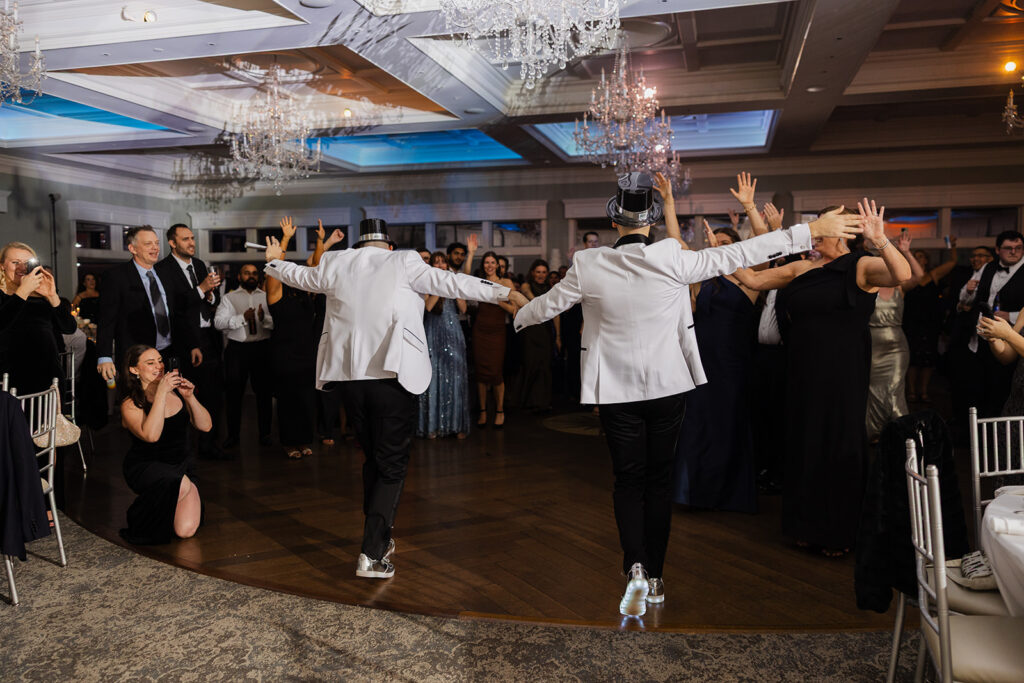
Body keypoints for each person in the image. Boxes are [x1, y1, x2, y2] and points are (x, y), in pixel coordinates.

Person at [513, 172, 863, 617]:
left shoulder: (589, 263)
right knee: (659, 481)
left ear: (615, 222)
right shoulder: (673, 257)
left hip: (615, 391)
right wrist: (811, 230)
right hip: (667, 387)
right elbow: (742, 252)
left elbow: (545, 307)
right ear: (652, 223)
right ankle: (656, 577)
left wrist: (517, 310)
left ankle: (635, 566)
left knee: (627, 481)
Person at [262, 218, 527, 580]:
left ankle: (379, 538)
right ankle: (371, 554)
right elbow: (450, 282)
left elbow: (299, 276)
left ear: (360, 245)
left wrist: (274, 260)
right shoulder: (403, 260)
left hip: (349, 379)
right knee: (392, 465)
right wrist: (503, 293)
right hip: (392, 379)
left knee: (374, 461)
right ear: (388, 245)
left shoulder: (337, 261)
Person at [734, 200, 911, 557]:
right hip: (802, 369)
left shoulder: (860, 266)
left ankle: (838, 531)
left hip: (842, 373)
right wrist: (715, 255)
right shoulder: (802, 267)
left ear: (843, 231)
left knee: (837, 441)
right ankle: (805, 525)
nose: (815, 234)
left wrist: (880, 239)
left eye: (823, 227)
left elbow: (901, 274)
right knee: (805, 440)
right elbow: (752, 279)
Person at [674, 222, 761, 514]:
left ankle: (730, 494)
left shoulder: (749, 280)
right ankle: (694, 493)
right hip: (701, 361)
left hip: (732, 362)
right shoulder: (703, 280)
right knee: (697, 424)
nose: (718, 246)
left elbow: (764, 246)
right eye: (716, 242)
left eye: (725, 243)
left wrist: (752, 214)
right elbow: (679, 246)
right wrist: (669, 204)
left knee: (728, 424)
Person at [118, 344, 210, 544]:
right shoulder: (131, 403)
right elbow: (151, 436)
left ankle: (180, 493)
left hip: (182, 465)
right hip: (146, 466)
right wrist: (161, 393)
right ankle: (144, 511)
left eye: (160, 361)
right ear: (134, 370)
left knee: (185, 531)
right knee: (177, 483)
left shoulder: (176, 392)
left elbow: (206, 426)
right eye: (150, 363)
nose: (159, 367)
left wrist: (190, 397)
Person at [154, 224, 224, 460]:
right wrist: (201, 289)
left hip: (209, 337)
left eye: (192, 238)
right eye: (185, 239)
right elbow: (173, 308)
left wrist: (211, 294)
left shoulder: (200, 265)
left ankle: (209, 445)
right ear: (172, 243)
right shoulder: (162, 269)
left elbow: (210, 300)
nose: (192, 243)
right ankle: (185, 450)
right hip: (183, 341)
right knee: (185, 395)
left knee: (213, 394)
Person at [96, 227, 199, 386]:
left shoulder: (165, 274)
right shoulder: (116, 276)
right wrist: (104, 356)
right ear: (133, 248)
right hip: (137, 357)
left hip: (168, 353)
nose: (155, 248)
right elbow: (107, 320)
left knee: (169, 398)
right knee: (138, 400)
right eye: (148, 244)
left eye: (156, 243)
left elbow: (177, 313)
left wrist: (192, 344)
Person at [265, 217, 319, 459]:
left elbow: (317, 266)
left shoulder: (305, 294)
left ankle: (304, 439)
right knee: (288, 401)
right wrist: (285, 240)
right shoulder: (276, 295)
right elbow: (274, 270)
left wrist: (321, 242)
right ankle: (289, 443)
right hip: (284, 355)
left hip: (307, 354)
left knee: (307, 400)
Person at [863, 231, 925, 441]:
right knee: (873, 389)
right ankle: (874, 432)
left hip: (897, 345)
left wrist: (906, 252)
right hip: (872, 342)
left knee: (895, 387)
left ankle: (901, 434)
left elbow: (919, 276)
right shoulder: (867, 284)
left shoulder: (899, 285)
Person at [956, 231, 1024, 418]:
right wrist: (993, 337)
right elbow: (1006, 356)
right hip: (983, 340)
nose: (1014, 252)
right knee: (977, 387)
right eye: (1008, 248)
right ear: (998, 250)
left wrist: (1007, 327)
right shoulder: (988, 267)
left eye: (1018, 248)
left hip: (1011, 342)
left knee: (998, 388)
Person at [0, 242, 77, 394]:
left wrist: (52, 296)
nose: (22, 268)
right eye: (15, 262)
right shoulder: (2, 295)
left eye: (27, 263)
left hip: (49, 378)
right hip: (10, 379)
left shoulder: (41, 295)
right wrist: (23, 291)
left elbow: (69, 328)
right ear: (2, 266)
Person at [215, 263, 274, 449]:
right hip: (237, 351)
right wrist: (242, 318)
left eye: (254, 273)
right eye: (247, 273)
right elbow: (218, 323)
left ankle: (265, 434)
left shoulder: (267, 297)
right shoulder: (229, 298)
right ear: (239, 277)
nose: (251, 276)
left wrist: (264, 318)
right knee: (234, 395)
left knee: (264, 394)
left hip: (262, 349)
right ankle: (233, 436)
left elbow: (276, 324)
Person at [418, 251, 471, 439]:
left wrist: (454, 288)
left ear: (447, 266)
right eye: (436, 262)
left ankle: (456, 425)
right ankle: (433, 425)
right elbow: (428, 307)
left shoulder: (452, 282)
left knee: (455, 377)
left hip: (452, 333)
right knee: (433, 377)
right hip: (433, 332)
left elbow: (463, 308)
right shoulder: (426, 284)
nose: (440, 265)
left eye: (443, 262)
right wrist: (441, 286)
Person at [902, 239, 959, 403]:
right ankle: (911, 391)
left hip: (930, 324)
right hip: (911, 324)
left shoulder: (933, 275)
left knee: (928, 360)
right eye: (916, 256)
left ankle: (924, 391)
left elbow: (952, 262)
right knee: (912, 359)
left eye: (921, 256)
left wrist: (952, 246)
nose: (918, 259)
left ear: (926, 260)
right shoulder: (907, 278)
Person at [470, 250, 517, 427]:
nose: (489, 265)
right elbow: (464, 278)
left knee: (496, 372)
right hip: (480, 330)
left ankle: (499, 410)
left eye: (492, 262)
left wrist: (498, 300)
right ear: (483, 265)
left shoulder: (506, 282)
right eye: (486, 262)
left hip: (497, 331)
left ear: (498, 265)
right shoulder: (480, 282)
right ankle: (483, 411)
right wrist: (471, 253)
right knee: (481, 373)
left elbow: (514, 309)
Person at [513, 259, 559, 413]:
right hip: (530, 331)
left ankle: (542, 402)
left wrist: (558, 336)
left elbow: (556, 315)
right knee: (530, 363)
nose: (541, 275)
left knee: (544, 365)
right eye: (538, 272)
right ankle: (527, 401)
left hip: (545, 331)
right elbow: (533, 303)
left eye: (544, 272)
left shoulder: (551, 289)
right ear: (532, 273)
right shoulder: (526, 286)